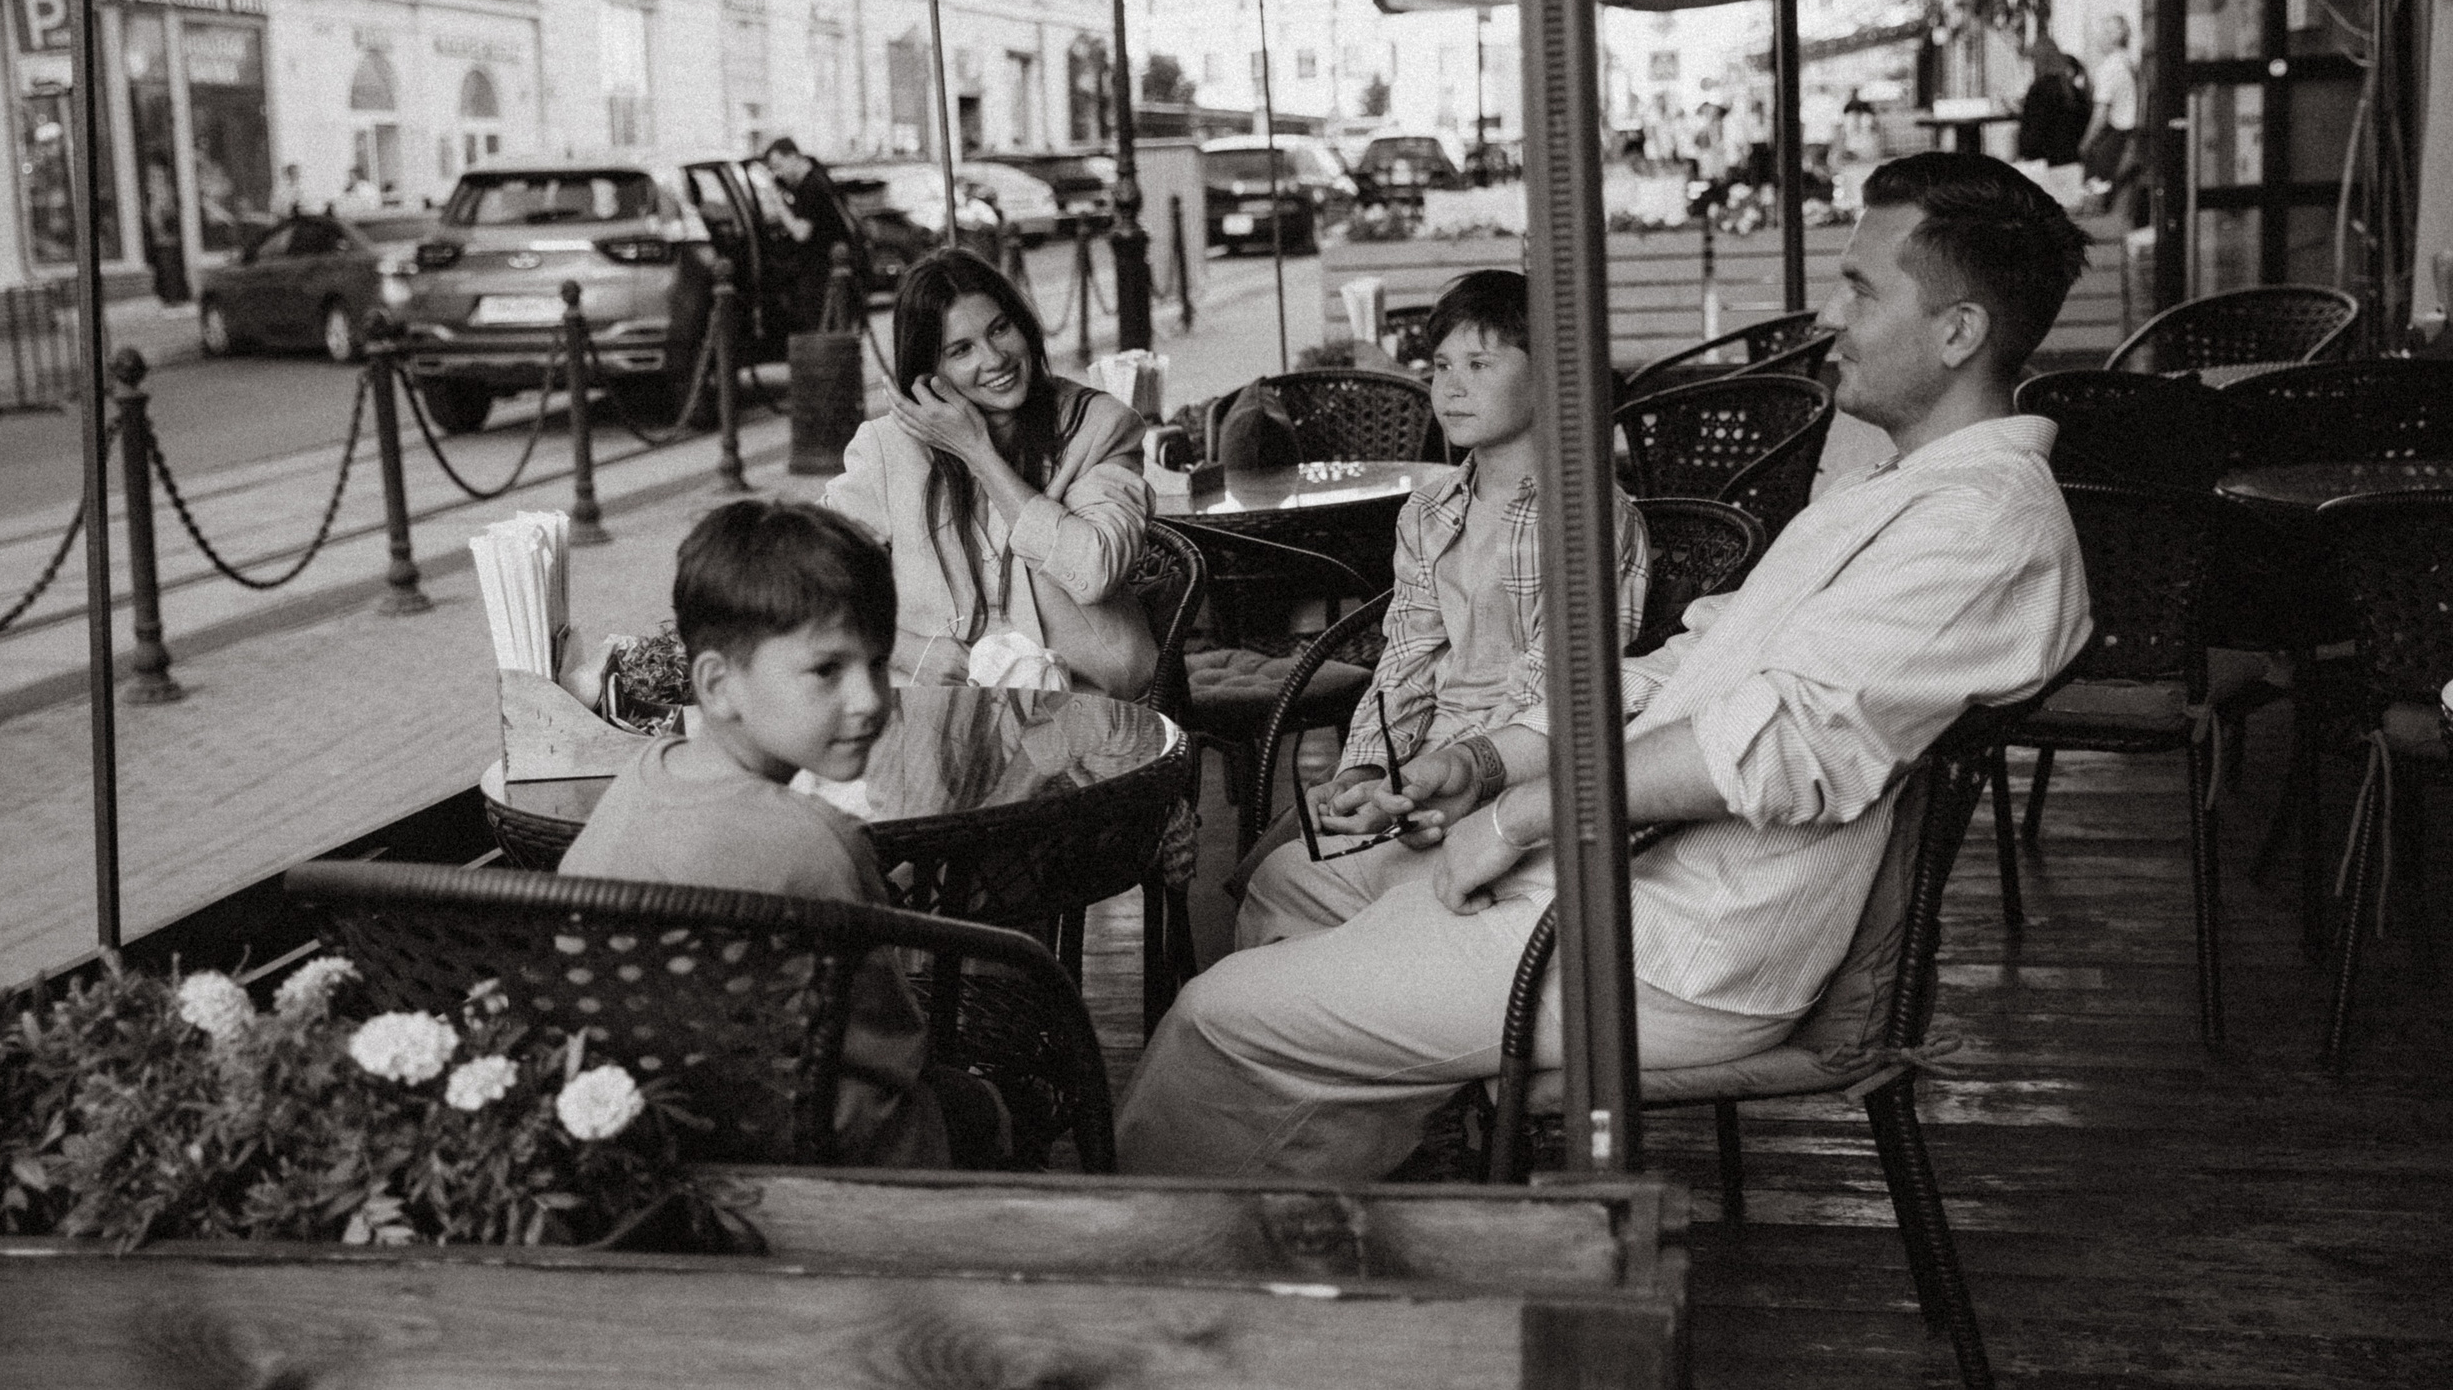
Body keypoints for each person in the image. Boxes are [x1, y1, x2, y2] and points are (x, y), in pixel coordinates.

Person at [1117, 150, 2094, 1181]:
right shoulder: (1899, 489)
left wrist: (1520, 817)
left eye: (1860, 288)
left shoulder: (1986, 527)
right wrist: (1488, 764)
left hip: (1687, 942)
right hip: (1629, 869)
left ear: (1958, 331)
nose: (1829, 319)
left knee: (1220, 1016)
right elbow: (1685, 668)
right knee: (1297, 886)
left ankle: (1161, 1285)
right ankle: (1367, 1206)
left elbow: (1777, 754)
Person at [556, 500, 999, 1168]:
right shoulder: (818, 842)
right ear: (718, 682)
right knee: (980, 1102)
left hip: (659, 1148)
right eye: (827, 670)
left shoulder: (636, 781)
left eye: (877, 664)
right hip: (815, 1161)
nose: (870, 699)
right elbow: (897, 1050)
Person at [1230, 269, 1651, 897]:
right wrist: (1366, 767)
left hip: (1514, 771)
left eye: (1480, 365)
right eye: (1442, 366)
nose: (1451, 388)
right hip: (1421, 758)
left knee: (1290, 882)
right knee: (1261, 867)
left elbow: (1554, 693)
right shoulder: (1429, 513)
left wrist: (1433, 775)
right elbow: (1405, 661)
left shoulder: (1587, 517)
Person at [823, 252, 1157, 698]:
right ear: (928, 372)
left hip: (1085, 701)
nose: (996, 358)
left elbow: (1094, 569)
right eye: (961, 350)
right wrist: (908, 651)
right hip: (940, 712)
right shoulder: (886, 449)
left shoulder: (1098, 425)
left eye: (1000, 329)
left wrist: (977, 451)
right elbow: (813, 581)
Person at [761, 136, 860, 330]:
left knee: (825, 332)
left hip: (824, 276)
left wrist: (778, 205)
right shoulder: (818, 177)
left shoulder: (811, 188)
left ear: (793, 157)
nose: (778, 174)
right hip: (833, 272)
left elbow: (801, 233)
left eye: (778, 166)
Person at [2080, 14, 2140, 213]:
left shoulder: (2109, 69)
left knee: (2097, 201)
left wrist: (2085, 144)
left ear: (2111, 37)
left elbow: (2100, 116)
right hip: (2130, 140)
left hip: (2112, 143)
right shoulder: (2130, 65)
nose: (2098, 39)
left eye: (2102, 33)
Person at [2017, 38, 2091, 169]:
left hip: (2045, 162)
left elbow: (2033, 133)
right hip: (2071, 161)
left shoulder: (2039, 89)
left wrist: (2023, 155)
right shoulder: (2073, 90)